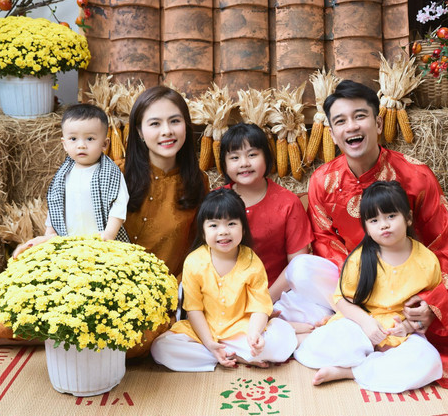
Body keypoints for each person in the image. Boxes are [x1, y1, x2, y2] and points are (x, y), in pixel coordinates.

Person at [287, 79, 448, 397]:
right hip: (356, 281)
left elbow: (443, 245)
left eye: (360, 116)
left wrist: (430, 303)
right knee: (300, 270)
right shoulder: (322, 181)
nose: (351, 126)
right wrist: (366, 284)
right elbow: (326, 241)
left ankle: (387, 330)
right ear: (332, 132)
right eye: (340, 121)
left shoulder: (415, 175)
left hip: (410, 280)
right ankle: (366, 322)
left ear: (378, 123)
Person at [0, 103, 130, 347]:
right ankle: (14, 333)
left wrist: (108, 236)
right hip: (67, 241)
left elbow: (118, 205)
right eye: (73, 139)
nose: (81, 145)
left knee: (96, 293)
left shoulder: (110, 173)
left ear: (104, 144)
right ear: (64, 143)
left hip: (100, 242)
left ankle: (87, 336)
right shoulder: (63, 175)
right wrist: (49, 233)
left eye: (90, 139)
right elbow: (56, 206)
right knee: (38, 280)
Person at [295, 181, 443, 392]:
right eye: (374, 220)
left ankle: (350, 371)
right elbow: (342, 300)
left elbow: (430, 306)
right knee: (325, 344)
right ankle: (366, 361)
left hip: (400, 335)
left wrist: (408, 327)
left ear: (408, 217)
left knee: (429, 361)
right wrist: (366, 323)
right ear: (366, 227)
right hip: (361, 326)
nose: (384, 225)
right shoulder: (360, 259)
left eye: (391, 216)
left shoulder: (427, 261)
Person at [150, 189, 298, 371]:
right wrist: (209, 343)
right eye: (214, 225)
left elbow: (260, 307)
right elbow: (194, 309)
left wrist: (254, 335)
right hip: (202, 332)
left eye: (231, 224)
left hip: (240, 331)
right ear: (202, 231)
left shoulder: (252, 262)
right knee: (160, 348)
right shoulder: (194, 262)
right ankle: (228, 355)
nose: (223, 232)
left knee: (277, 343)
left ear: (243, 228)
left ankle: (231, 353)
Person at [219, 123, 316, 330]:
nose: (244, 163)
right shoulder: (216, 202)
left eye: (252, 155)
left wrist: (264, 302)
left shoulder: (288, 203)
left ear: (267, 157)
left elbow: (297, 264)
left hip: (277, 295)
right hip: (225, 296)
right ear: (224, 164)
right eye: (234, 157)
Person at [123, 85, 208, 281]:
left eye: (175, 121)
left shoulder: (198, 182)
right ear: (139, 131)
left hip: (168, 292)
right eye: (155, 123)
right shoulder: (116, 174)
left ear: (186, 125)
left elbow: (198, 247)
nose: (167, 131)